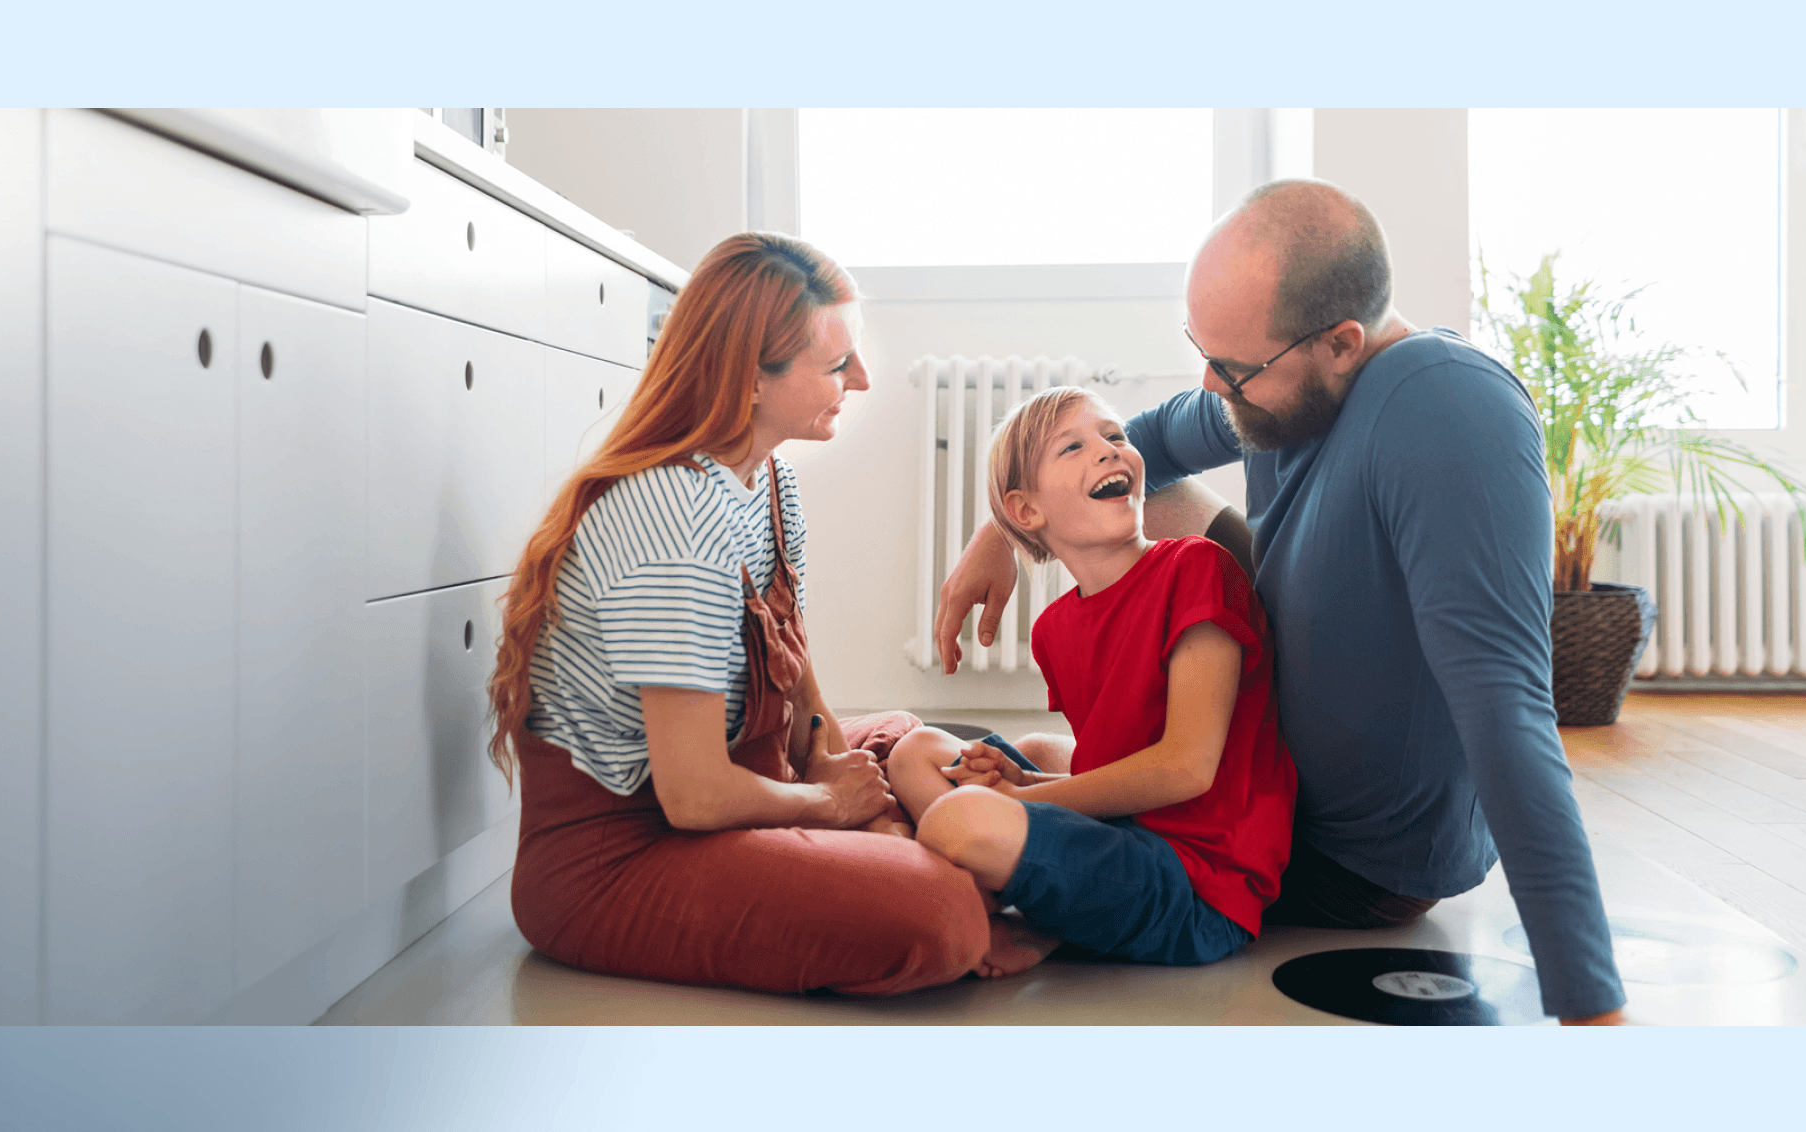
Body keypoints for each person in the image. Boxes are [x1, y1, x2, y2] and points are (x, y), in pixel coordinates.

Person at [933, 179, 1628, 1024]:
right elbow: (1143, 444)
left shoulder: (1450, 411)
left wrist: (1590, 1004)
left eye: (1232, 368)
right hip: (1264, 765)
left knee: (990, 799)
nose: (1210, 381)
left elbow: (1507, 709)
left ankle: (1051, 898)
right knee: (1016, 726)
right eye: (1203, 350)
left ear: (1341, 342)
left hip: (1340, 858)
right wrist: (1002, 532)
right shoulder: (1284, 390)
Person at [491, 232, 988, 995]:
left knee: (909, 740)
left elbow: (793, 662)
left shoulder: (770, 481)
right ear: (751, 378)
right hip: (624, 854)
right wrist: (830, 806)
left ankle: (931, 863)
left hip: (738, 779)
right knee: (939, 910)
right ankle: (966, 895)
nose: (860, 379)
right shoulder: (672, 518)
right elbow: (693, 795)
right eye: (837, 365)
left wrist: (846, 783)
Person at [882, 386, 1296, 978]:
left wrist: (1020, 799)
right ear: (1026, 511)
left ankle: (1019, 911)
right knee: (914, 751)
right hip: (1129, 835)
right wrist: (1027, 780)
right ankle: (1032, 912)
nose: (1108, 450)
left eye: (1115, 436)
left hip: (1201, 884)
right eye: (1072, 447)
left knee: (959, 818)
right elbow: (1114, 773)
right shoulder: (1054, 630)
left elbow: (1186, 770)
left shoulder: (1198, 567)